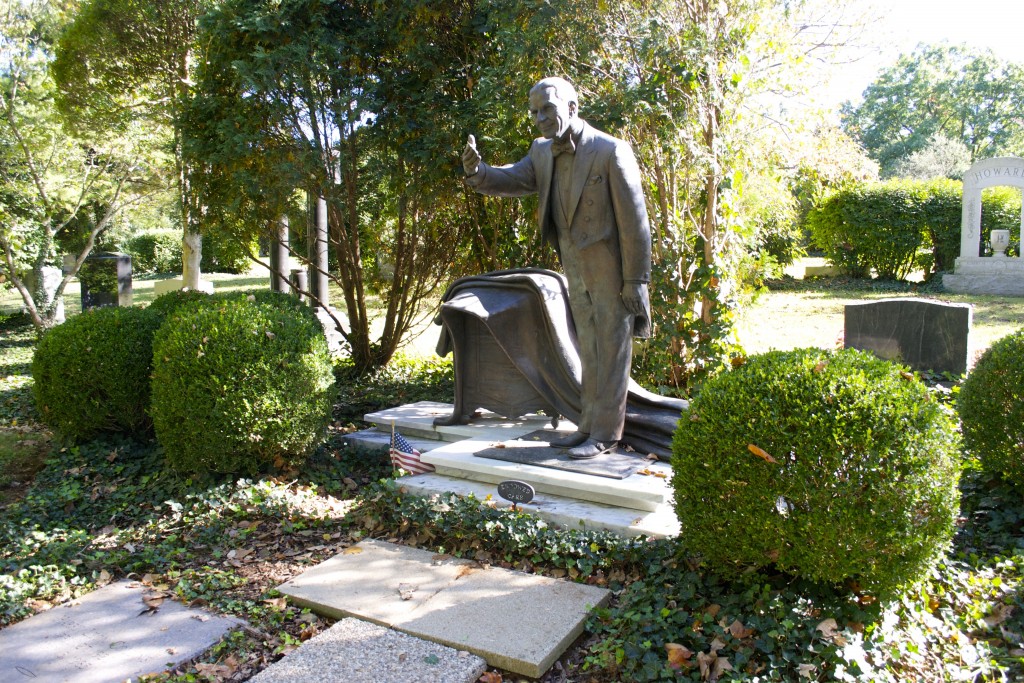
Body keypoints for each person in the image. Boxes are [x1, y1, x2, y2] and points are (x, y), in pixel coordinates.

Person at [462, 76, 652, 459]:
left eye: (546, 108)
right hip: (573, 265)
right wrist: (478, 172)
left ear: (571, 107)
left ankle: (606, 433)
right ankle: (587, 426)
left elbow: (636, 223)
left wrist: (636, 280)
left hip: (610, 269)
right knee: (590, 349)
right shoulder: (542, 152)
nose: (539, 118)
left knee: (612, 347)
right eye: (534, 111)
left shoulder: (610, 150)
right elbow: (513, 179)